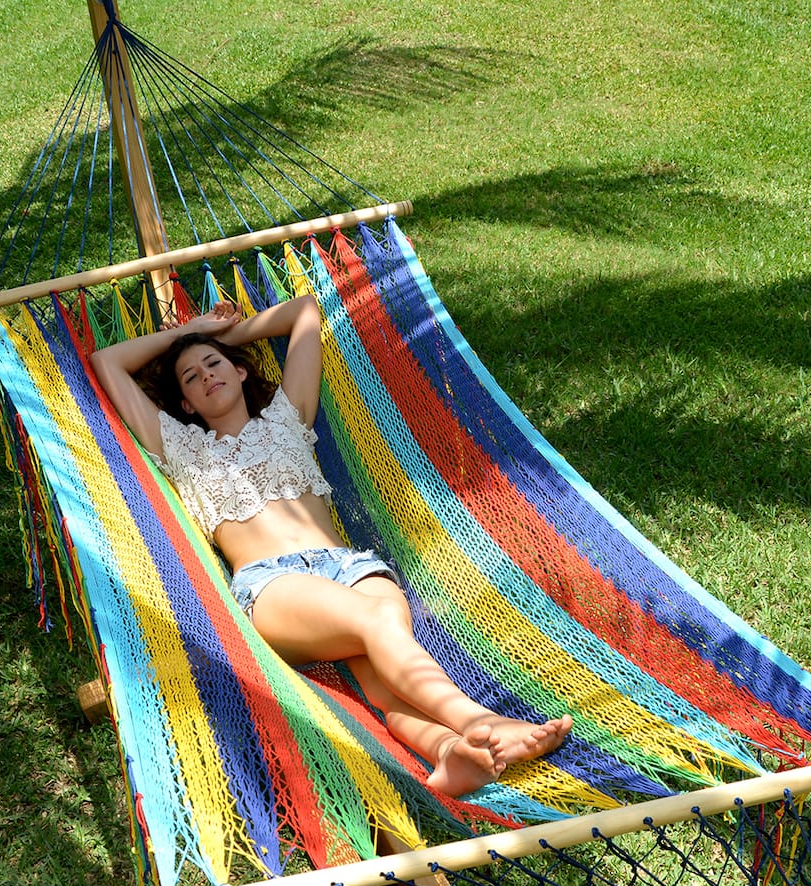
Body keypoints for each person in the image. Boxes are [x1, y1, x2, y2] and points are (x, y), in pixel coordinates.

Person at [90, 294, 572, 796]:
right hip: (273, 583)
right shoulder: (181, 448)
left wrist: (220, 335)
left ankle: (451, 755)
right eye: (191, 378)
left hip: (350, 565)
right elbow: (108, 363)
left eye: (215, 365)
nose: (206, 375)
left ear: (238, 372)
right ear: (186, 404)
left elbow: (304, 312)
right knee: (376, 622)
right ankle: (481, 723)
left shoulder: (287, 416)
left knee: (383, 679)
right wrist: (188, 334)